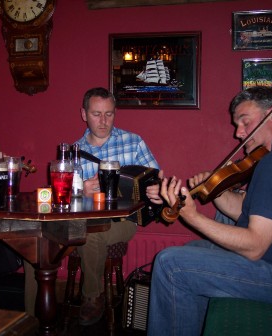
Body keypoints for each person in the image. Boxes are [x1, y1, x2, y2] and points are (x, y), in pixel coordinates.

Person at [148, 86, 272, 335]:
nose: (239, 133)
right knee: (190, 251)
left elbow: (255, 247)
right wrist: (216, 190)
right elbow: (248, 211)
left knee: (171, 264)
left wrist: (193, 216)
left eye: (245, 122)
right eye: (237, 125)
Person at [74, 87, 162, 325]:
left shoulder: (133, 142)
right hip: (85, 217)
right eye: (96, 114)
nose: (103, 121)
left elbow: (156, 177)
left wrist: (156, 189)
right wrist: (82, 189)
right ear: (84, 114)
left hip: (124, 221)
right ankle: (29, 317)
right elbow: (66, 198)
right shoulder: (75, 152)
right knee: (42, 236)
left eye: (109, 114)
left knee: (91, 234)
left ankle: (92, 297)